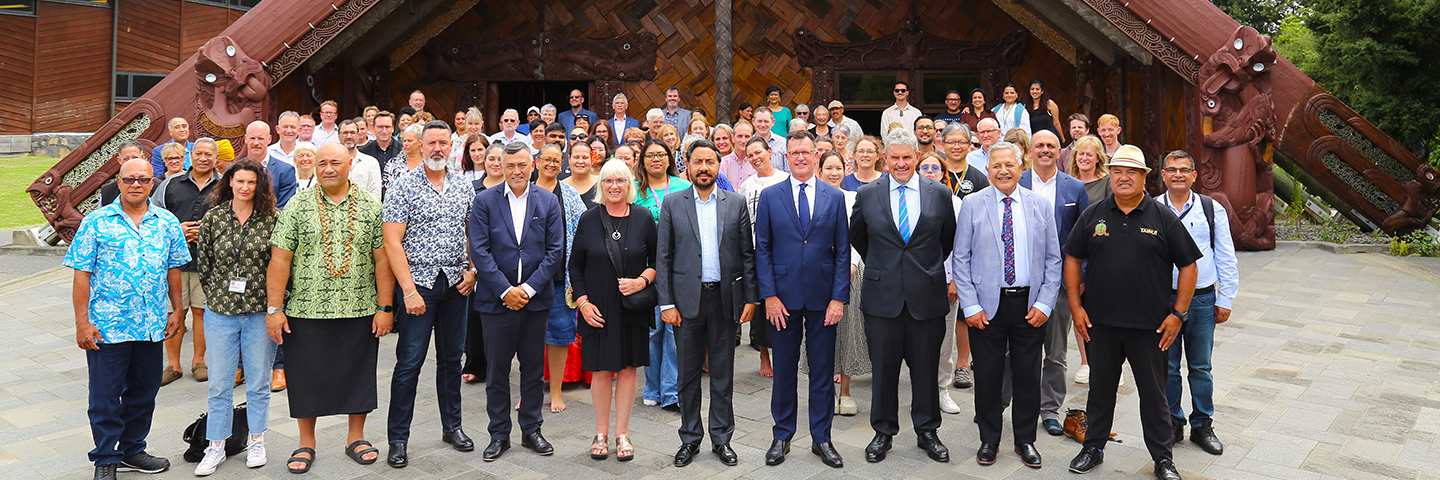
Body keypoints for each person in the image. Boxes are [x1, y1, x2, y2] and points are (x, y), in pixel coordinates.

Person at [1064, 145, 1200, 480]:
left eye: (1131, 172)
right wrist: (1075, 306)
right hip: (1101, 324)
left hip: (1150, 327)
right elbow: (1072, 258)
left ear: (1144, 178)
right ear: (1110, 174)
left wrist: (1178, 314)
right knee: (1100, 391)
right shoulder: (1093, 213)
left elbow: (1189, 265)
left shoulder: (1162, 216)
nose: (1123, 178)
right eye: (1117, 171)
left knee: (1154, 396)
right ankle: (1093, 448)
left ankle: (1162, 459)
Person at [266, 142, 393, 474]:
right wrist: (274, 309)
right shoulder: (297, 205)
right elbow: (280, 258)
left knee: (358, 374)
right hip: (306, 308)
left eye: (335, 162)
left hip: (359, 306)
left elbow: (382, 260)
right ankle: (306, 442)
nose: (328, 169)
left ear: (350, 163)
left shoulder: (371, 206)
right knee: (305, 376)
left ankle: (356, 437)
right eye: (321, 163)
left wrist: (385, 306)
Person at [67, 158, 190, 480]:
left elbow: (173, 269)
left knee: (143, 393)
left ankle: (133, 449)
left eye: (143, 179)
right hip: (107, 327)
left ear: (153, 183)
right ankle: (106, 458)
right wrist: (82, 322)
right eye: (129, 179)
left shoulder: (167, 223)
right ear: (118, 183)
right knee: (105, 398)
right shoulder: (96, 222)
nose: (136, 184)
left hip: (150, 327)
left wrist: (177, 310)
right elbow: (82, 275)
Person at [849, 128, 956, 464]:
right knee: (884, 370)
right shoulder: (868, 194)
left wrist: (922, 269)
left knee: (925, 368)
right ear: (885, 159)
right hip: (883, 298)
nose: (900, 163)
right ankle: (883, 432)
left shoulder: (939, 193)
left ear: (918, 158)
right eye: (894, 157)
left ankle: (927, 432)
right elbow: (859, 238)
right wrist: (885, 267)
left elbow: (946, 239)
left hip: (927, 296)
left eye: (907, 157)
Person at [953, 140, 1062, 469]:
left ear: (1021, 167)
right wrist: (970, 306)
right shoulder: (973, 204)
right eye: (996, 166)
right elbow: (960, 259)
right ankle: (989, 439)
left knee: (1028, 375)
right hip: (986, 307)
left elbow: (1054, 259)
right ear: (988, 171)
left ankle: (1025, 440)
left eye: (1009, 165)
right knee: (987, 375)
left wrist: (1045, 303)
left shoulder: (1039, 205)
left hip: (1029, 305)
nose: (1003, 171)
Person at [379, 121, 477, 469]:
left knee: (452, 360)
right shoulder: (403, 186)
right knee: (409, 363)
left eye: (443, 143)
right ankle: (398, 439)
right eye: (431, 142)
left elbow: (471, 232)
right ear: (420, 145)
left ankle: (452, 427)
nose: (437, 148)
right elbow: (392, 242)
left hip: (456, 284)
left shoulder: (464, 187)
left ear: (452, 146)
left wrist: (472, 269)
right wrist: (408, 290)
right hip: (418, 285)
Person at [656, 139, 758, 468]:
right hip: (685, 302)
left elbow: (747, 255)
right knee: (687, 376)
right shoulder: (672, 203)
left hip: (724, 300)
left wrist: (750, 297)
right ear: (687, 165)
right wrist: (666, 302)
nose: (704, 168)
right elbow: (663, 257)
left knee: (722, 374)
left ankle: (722, 439)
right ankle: (689, 438)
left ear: (718, 166)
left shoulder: (736, 203)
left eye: (710, 162)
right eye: (698, 162)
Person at [754, 131, 849, 468]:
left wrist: (839, 298)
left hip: (824, 299)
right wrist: (769, 295)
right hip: (782, 298)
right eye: (794, 152)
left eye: (806, 152)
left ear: (816, 155)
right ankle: (782, 435)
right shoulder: (770, 196)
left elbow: (841, 252)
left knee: (822, 372)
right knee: (784, 371)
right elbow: (761, 249)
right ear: (786, 156)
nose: (800, 158)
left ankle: (821, 438)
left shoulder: (834, 197)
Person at [467, 142, 565, 461]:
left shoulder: (548, 201)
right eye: (510, 166)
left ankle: (531, 430)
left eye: (522, 165)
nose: (516, 172)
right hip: (497, 303)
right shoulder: (484, 201)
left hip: (535, 302)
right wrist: (506, 290)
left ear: (532, 164)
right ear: (501, 167)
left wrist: (528, 289)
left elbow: (555, 251)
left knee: (533, 370)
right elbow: (479, 251)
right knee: (496, 371)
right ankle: (498, 434)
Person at [192, 159, 280, 475]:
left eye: (251, 182)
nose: (245, 187)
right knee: (219, 384)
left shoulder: (272, 219)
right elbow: (205, 263)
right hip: (221, 312)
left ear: (260, 186)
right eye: (239, 181)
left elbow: (279, 265)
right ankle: (216, 445)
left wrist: (275, 308)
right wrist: (218, 294)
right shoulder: (214, 217)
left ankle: (257, 440)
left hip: (259, 312)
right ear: (230, 182)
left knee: (258, 382)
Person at [570, 159, 656, 462]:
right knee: (601, 370)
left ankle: (622, 433)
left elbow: (659, 261)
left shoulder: (644, 218)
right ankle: (601, 432)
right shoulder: (589, 219)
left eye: (620, 180)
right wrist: (583, 303)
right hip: (597, 308)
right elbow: (575, 266)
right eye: (608, 181)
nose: (614, 186)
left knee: (629, 368)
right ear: (600, 186)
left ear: (629, 185)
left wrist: (642, 281)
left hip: (631, 306)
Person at [1157, 150, 1237, 457]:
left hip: (1203, 298)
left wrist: (1226, 297)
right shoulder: (1152, 208)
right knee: (1168, 366)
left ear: (1194, 175)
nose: (1178, 174)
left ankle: (1202, 424)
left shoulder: (1210, 208)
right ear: (1163, 175)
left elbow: (1225, 253)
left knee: (1201, 366)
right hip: (1165, 299)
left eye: (1184, 170)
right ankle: (1173, 422)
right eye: (1172, 170)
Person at [1019, 130, 1090, 436]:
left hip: (1060, 284)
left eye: (1050, 146)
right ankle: (1007, 404)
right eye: (1040, 146)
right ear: (1030, 151)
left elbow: (1085, 237)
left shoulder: (1074, 188)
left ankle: (1049, 409)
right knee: (1015, 350)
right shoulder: (1016, 180)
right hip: (1018, 281)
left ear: (1059, 151)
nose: (1045, 150)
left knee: (1056, 352)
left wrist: (1081, 279)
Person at [151, 137, 220, 386]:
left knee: (202, 312)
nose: (203, 158)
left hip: (208, 262)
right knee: (174, 312)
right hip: (174, 263)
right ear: (191, 156)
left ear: (215, 158)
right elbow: (152, 217)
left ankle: (199, 361)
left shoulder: (224, 186)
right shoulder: (171, 184)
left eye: (208, 154)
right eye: (199, 153)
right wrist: (176, 230)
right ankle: (173, 364)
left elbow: (234, 218)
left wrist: (209, 232)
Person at [633, 139, 689, 409]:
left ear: (670, 159)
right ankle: (653, 388)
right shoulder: (634, 191)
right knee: (652, 332)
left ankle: (671, 392)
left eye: (661, 154)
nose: (656, 159)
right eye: (650, 155)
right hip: (645, 269)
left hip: (678, 268)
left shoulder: (684, 187)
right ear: (642, 161)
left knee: (674, 331)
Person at [813, 151, 868, 416]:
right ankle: (826, 391)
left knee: (848, 330)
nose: (834, 173)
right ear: (819, 170)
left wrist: (853, 263)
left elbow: (858, 234)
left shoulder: (853, 198)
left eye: (838, 169)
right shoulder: (811, 198)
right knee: (820, 332)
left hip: (850, 270)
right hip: (817, 273)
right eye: (828, 168)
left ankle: (845, 391)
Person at [534, 143, 588, 411]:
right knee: (528, 337)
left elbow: (582, 235)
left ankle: (555, 392)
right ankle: (529, 392)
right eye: (547, 159)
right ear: (537, 162)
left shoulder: (569, 194)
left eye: (557, 160)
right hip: (527, 279)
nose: (552, 164)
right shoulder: (523, 192)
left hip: (559, 278)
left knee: (559, 336)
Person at [916, 152, 967, 416]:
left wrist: (957, 280)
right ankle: (919, 389)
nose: (929, 171)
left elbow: (962, 246)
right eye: (924, 167)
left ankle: (941, 388)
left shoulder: (955, 202)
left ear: (943, 173)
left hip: (945, 282)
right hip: (913, 283)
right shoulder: (908, 199)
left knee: (945, 339)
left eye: (935, 167)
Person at [738, 137, 791, 375]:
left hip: (783, 250)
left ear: (769, 152)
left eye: (758, 152)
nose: (755, 158)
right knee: (761, 307)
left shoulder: (785, 179)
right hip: (756, 250)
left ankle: (783, 354)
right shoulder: (747, 185)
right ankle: (764, 357)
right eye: (750, 155)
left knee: (784, 303)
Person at [462, 142, 507, 385]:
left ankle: (498, 363)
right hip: (475, 260)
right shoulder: (471, 189)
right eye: (492, 159)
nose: (496, 163)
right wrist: (472, 265)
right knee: (474, 316)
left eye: (501, 159)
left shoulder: (514, 189)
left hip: (504, 262)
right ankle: (475, 364)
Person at [235, 121, 299, 209]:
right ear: (246, 139)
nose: (256, 143)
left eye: (261, 138)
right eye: (252, 138)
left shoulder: (285, 171)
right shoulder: (233, 169)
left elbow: (285, 208)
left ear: (269, 139)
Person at [940, 123, 989, 201]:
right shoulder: (935, 174)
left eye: (962, 142)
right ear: (943, 145)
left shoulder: (980, 179)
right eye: (951, 142)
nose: (956, 147)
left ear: (969, 146)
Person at [339, 119, 383, 199]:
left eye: (352, 133)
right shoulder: (330, 163)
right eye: (345, 133)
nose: (349, 136)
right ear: (338, 136)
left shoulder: (371, 163)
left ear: (358, 135)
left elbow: (375, 197)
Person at [383, 123, 425, 193]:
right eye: (404, 141)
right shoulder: (393, 163)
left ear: (420, 142)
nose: (405, 144)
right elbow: (386, 190)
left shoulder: (429, 164)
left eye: (410, 141)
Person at [719, 121, 757, 186]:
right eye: (740, 136)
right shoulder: (723, 163)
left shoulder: (757, 162)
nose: (743, 141)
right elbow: (722, 188)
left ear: (752, 139)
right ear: (733, 138)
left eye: (747, 136)